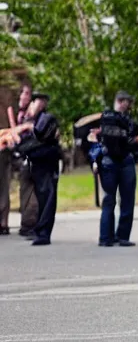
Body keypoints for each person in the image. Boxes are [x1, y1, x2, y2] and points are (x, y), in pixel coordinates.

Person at [93, 90, 138, 247]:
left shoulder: (127, 119)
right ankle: (106, 237)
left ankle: (123, 236)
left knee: (127, 200)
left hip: (126, 161)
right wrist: (134, 141)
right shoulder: (108, 117)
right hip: (110, 162)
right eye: (128, 103)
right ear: (121, 101)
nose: (130, 106)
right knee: (109, 200)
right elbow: (116, 138)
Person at [15, 92, 62, 246]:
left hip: (46, 162)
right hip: (32, 163)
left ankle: (43, 232)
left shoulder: (47, 119)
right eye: (38, 101)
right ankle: (34, 228)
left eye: (44, 101)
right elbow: (20, 142)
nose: (41, 104)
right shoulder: (24, 118)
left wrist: (27, 139)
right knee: (35, 198)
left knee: (47, 197)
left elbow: (43, 138)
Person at [15, 84, 40, 237]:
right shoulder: (20, 114)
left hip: (31, 156)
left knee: (31, 192)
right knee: (26, 192)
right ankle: (27, 224)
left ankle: (30, 224)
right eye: (23, 93)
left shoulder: (30, 114)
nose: (24, 97)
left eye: (27, 94)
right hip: (22, 156)